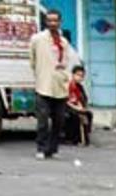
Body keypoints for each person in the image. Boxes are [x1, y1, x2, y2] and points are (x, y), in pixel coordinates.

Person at [29, 10, 78, 160]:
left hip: (60, 86)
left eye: (55, 21)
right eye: (49, 20)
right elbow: (32, 60)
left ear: (60, 22)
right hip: (44, 85)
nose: (52, 23)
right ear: (45, 22)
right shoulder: (38, 39)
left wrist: (66, 77)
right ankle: (41, 148)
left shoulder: (64, 42)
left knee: (59, 120)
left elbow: (70, 62)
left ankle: (52, 149)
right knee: (42, 120)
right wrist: (41, 73)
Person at [63, 65, 92, 146]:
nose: (80, 77)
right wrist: (77, 108)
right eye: (78, 75)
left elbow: (83, 99)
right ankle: (72, 138)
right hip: (67, 107)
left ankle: (85, 137)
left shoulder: (80, 87)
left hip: (77, 106)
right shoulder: (68, 86)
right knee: (74, 115)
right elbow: (67, 101)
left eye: (82, 76)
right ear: (73, 75)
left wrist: (83, 107)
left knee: (88, 114)